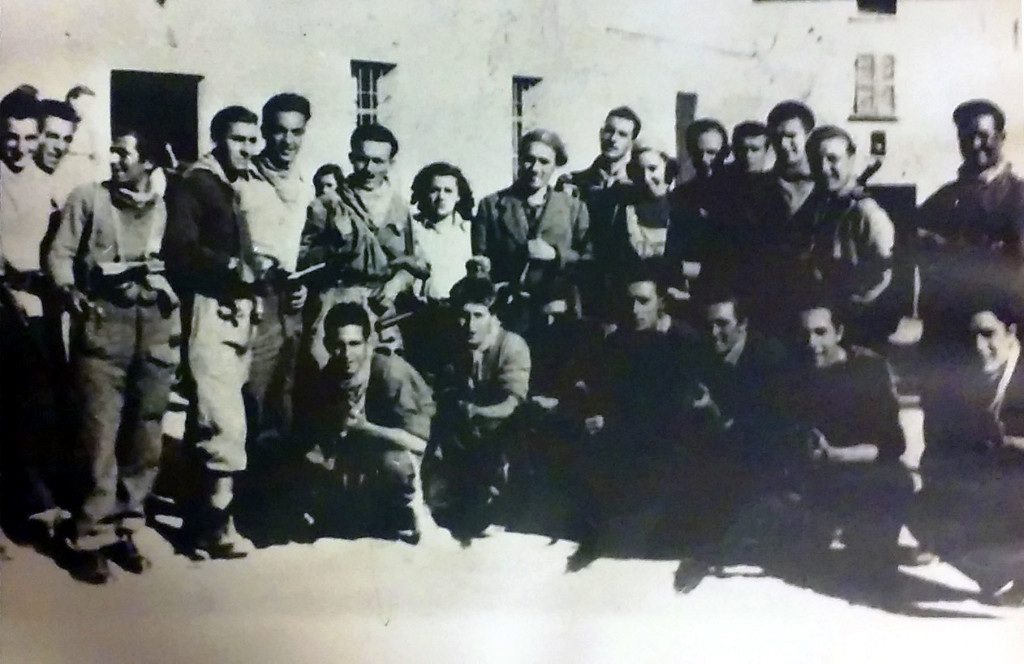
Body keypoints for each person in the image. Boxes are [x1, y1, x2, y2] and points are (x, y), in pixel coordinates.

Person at [47, 127, 179, 583]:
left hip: (157, 332)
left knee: (145, 436)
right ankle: (88, 536)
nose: (116, 159)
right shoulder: (87, 198)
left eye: (126, 153)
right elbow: (60, 253)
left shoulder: (167, 207)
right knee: (98, 436)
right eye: (115, 151)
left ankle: (127, 525)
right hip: (103, 332)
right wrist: (67, 289)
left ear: (149, 164)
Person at [163, 105, 263, 558]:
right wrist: (228, 266)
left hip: (238, 311)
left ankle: (197, 521)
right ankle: (218, 527)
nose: (248, 149)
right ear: (218, 140)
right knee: (221, 418)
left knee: (215, 415)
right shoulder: (194, 184)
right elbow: (180, 250)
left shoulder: (229, 188)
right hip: (208, 310)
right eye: (239, 140)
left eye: (251, 140)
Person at [569, 261, 713, 571]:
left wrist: (613, 423)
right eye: (630, 301)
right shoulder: (619, 340)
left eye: (644, 301)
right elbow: (604, 392)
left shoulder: (684, 342)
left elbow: (672, 409)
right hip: (624, 443)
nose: (634, 309)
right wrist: (594, 413)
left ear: (662, 301)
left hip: (667, 448)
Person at [776, 297, 911, 586]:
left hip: (858, 471)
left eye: (821, 332)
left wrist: (836, 455)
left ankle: (869, 545)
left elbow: (893, 445)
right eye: (805, 335)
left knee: (895, 481)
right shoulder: (793, 373)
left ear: (839, 332)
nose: (812, 343)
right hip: (811, 477)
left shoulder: (868, 370)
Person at [916, 292, 1024, 606]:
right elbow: (936, 449)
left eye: (988, 334)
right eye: (971, 336)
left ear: (1011, 332)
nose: (979, 347)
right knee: (922, 508)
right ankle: (999, 572)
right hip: (990, 487)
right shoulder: (959, 381)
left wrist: (1013, 444)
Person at [304, 302, 437, 544]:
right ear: (327, 345)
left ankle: (410, 513)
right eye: (338, 345)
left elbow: (419, 443)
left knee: (395, 463)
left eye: (354, 344)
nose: (346, 355)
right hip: (361, 458)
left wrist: (366, 428)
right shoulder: (329, 376)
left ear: (369, 343)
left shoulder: (391, 373)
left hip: (415, 462)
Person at [0, 89, 69, 545]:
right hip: (5, 301)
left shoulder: (44, 183)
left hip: (40, 301)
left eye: (28, 138)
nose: (20, 147)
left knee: (42, 405)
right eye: (11, 138)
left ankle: (36, 501)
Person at [299, 124, 426, 367]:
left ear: (391, 163)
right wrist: (337, 246)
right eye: (362, 160)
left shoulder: (399, 207)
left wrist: (396, 284)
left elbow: (415, 261)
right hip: (336, 303)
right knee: (328, 376)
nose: (369, 169)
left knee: (384, 377)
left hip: (382, 309)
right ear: (351, 158)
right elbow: (303, 260)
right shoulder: (328, 205)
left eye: (378, 161)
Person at [428, 275, 531, 541]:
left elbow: (512, 403)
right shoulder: (455, 345)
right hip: (466, 434)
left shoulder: (511, 346)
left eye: (478, 315)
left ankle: (505, 501)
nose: (469, 325)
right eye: (464, 316)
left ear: (493, 316)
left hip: (503, 431)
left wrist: (476, 412)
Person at [916, 99, 1024, 351]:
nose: (975, 145)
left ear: (1001, 137)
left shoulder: (1018, 197)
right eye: (966, 137)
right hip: (949, 334)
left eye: (983, 135)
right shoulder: (940, 201)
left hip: (1005, 331)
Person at [238, 93, 313, 451]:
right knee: (252, 390)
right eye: (280, 132)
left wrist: (305, 285)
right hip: (255, 297)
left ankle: (274, 490)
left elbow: (306, 244)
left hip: (293, 299)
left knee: (286, 394)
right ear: (266, 132)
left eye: (296, 132)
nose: (288, 141)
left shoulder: (305, 184)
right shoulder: (243, 180)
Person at [473, 128, 590, 330]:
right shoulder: (491, 206)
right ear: (519, 160)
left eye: (544, 162)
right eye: (529, 159)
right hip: (506, 317)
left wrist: (555, 255)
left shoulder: (574, 208)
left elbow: (589, 261)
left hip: (558, 316)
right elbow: (480, 266)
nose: (535, 168)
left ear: (555, 165)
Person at [801, 125, 898, 345]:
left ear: (851, 159)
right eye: (817, 160)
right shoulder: (821, 206)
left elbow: (884, 275)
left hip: (859, 324)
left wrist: (850, 307)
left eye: (833, 159)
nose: (824, 168)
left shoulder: (867, 213)